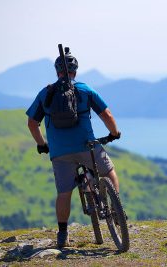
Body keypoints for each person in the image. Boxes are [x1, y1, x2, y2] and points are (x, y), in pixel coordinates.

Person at [26, 48, 121, 248]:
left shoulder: (46, 93)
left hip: (60, 152)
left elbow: (32, 123)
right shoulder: (85, 89)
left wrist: (42, 145)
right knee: (109, 171)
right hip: (87, 146)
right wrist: (114, 133)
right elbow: (107, 115)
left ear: (57, 71)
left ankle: (62, 234)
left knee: (64, 193)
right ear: (75, 71)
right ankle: (116, 211)